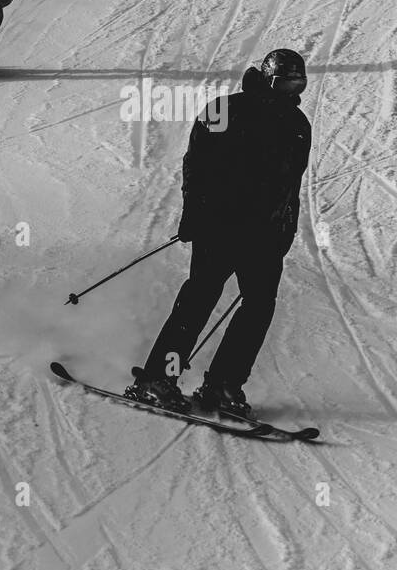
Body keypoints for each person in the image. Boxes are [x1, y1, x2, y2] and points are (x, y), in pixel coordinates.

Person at [129, 50, 312, 416]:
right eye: (284, 82)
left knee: (259, 307)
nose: (290, 89)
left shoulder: (298, 124)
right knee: (199, 299)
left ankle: (222, 385)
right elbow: (195, 164)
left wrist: (285, 231)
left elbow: (291, 186)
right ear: (267, 79)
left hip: (265, 236)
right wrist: (194, 213)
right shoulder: (224, 109)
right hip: (221, 226)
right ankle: (157, 378)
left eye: (297, 83)